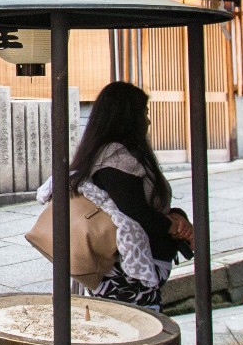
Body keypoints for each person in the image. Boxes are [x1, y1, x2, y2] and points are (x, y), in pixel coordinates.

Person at [45, 81, 189, 308]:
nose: (147, 121)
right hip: (127, 272)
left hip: (124, 267)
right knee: (139, 332)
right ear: (128, 118)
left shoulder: (104, 153)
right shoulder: (117, 158)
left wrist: (176, 216)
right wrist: (173, 226)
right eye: (144, 113)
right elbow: (134, 211)